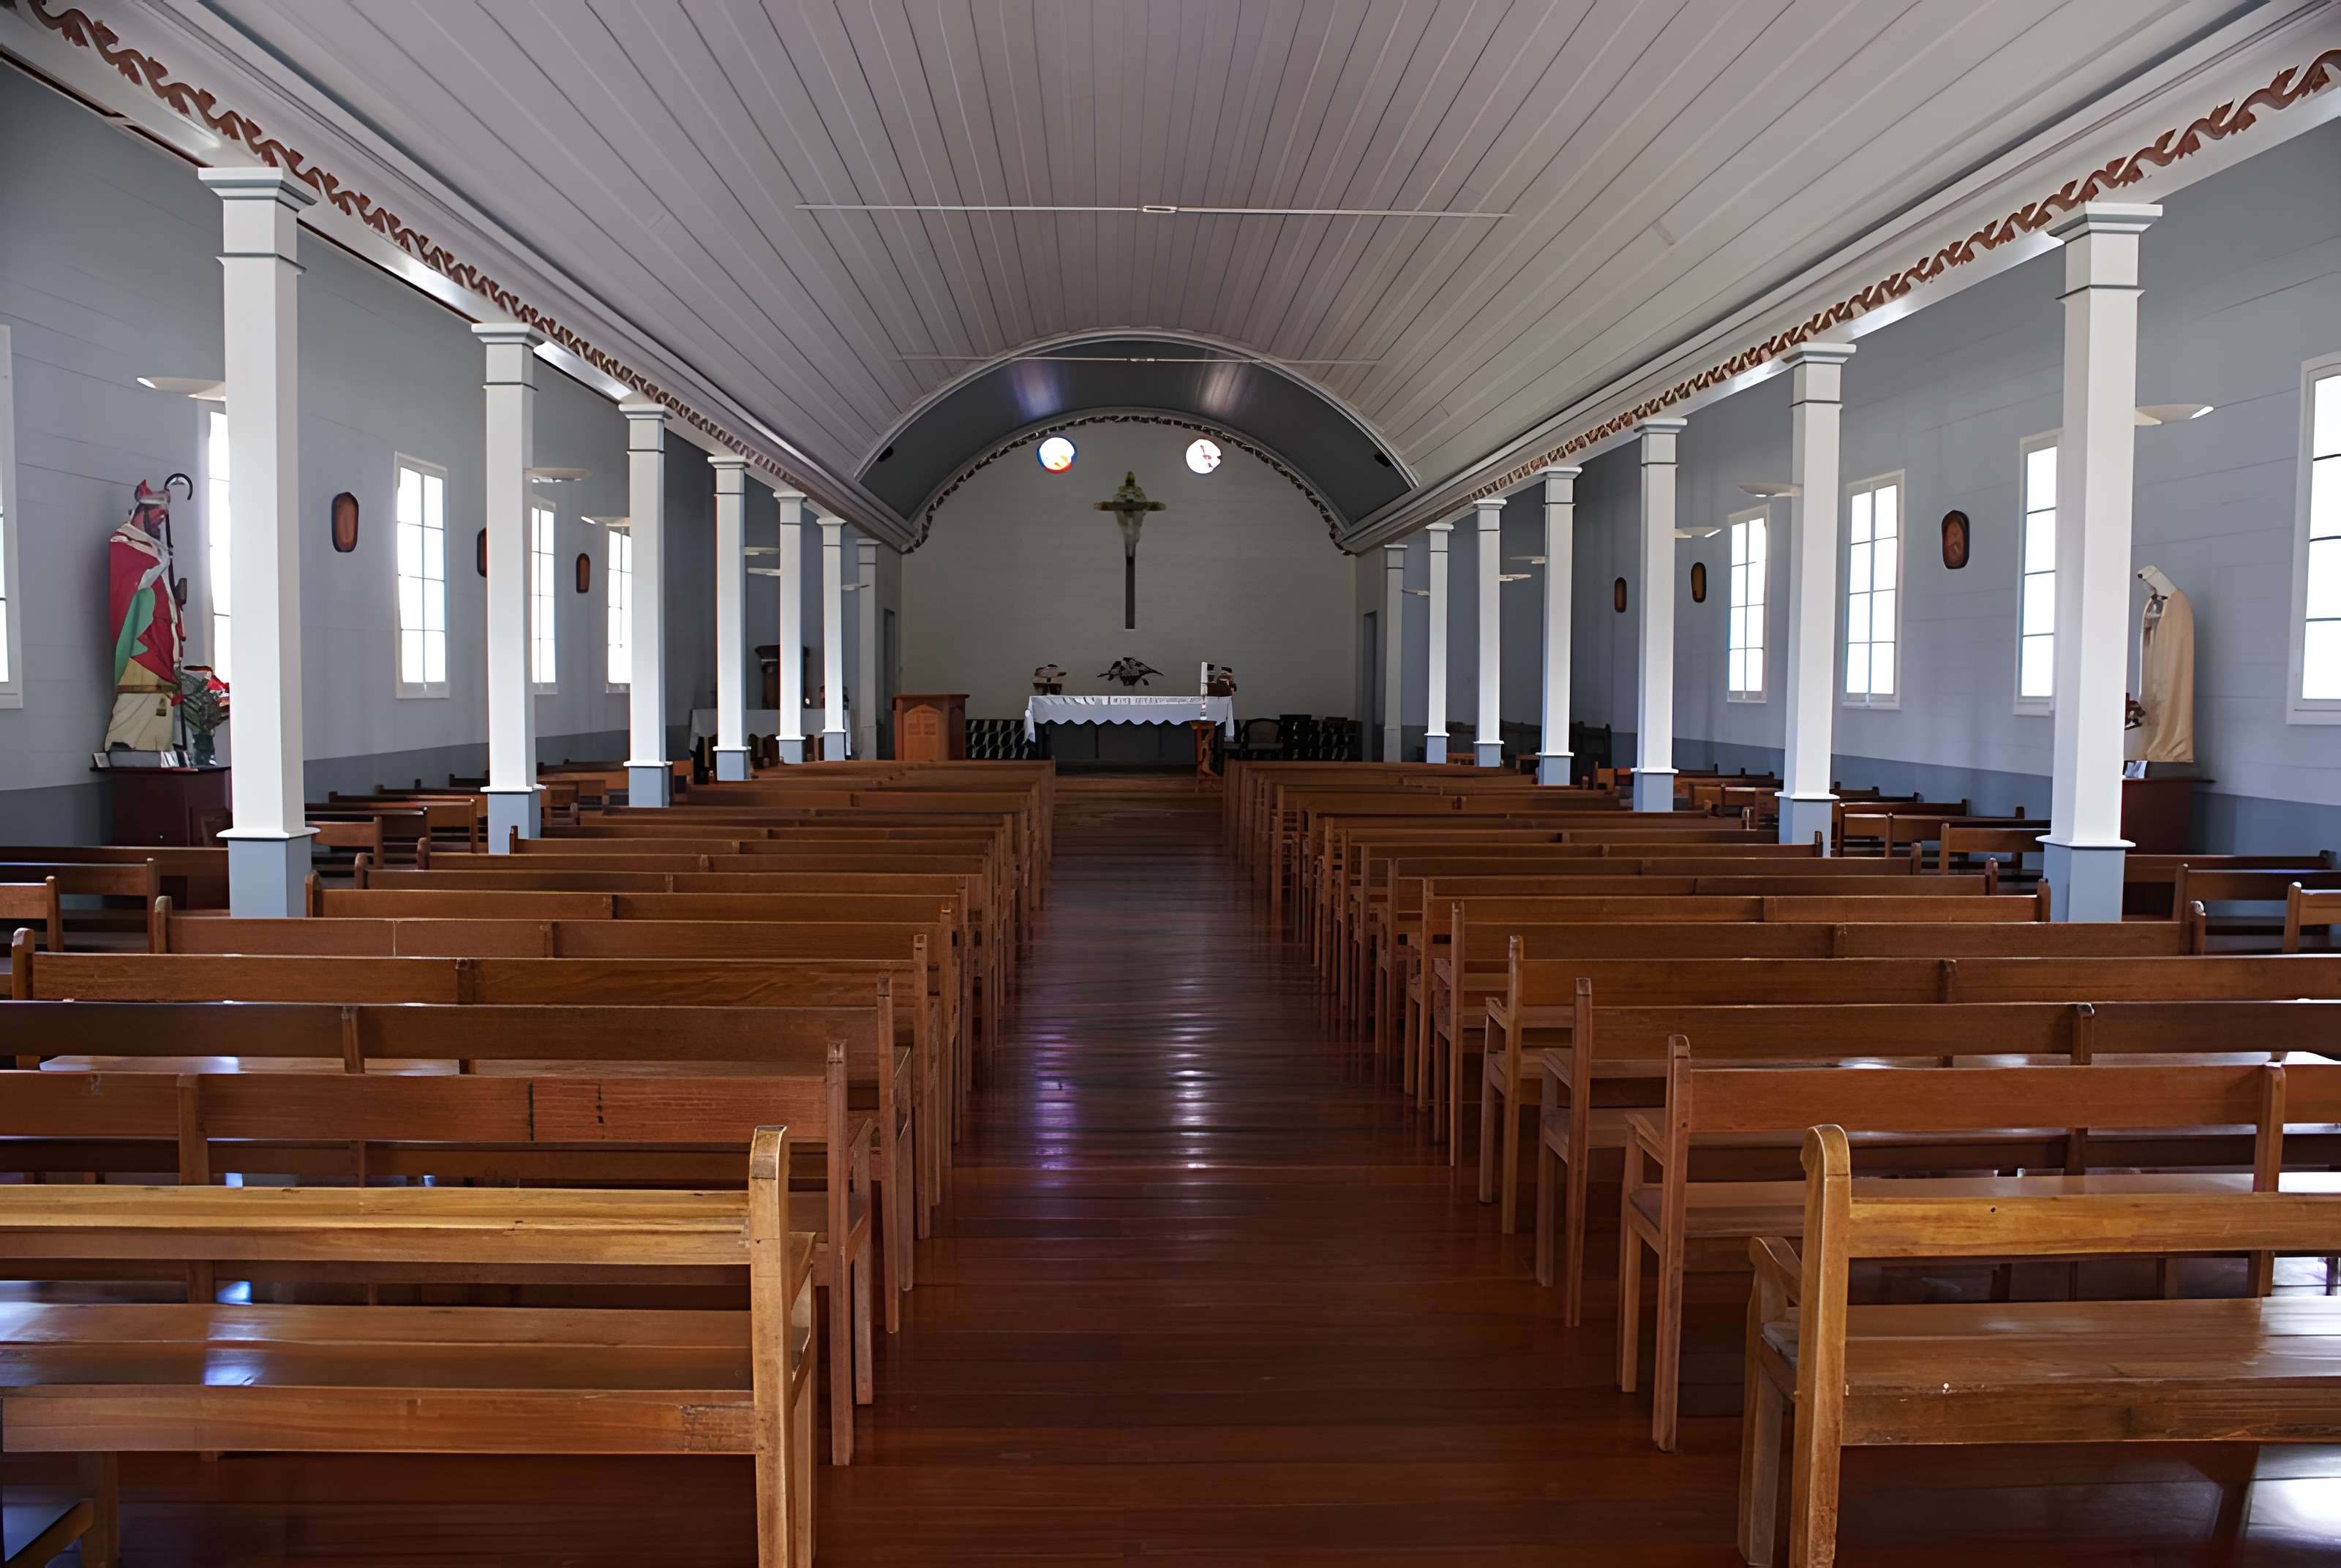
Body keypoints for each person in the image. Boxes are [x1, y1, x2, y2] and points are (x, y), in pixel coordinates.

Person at [104, 478, 184, 751]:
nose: (159, 525)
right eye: (157, 518)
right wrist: (162, 563)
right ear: (142, 512)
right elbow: (133, 584)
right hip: (142, 637)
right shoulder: (122, 541)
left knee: (161, 699)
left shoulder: (154, 547)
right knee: (140, 692)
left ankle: (159, 749)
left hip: (162, 635)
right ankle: (124, 747)